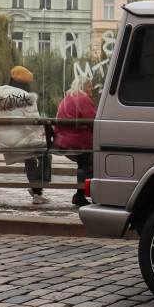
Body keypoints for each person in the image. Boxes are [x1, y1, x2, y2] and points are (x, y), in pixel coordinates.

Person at [0, 65, 49, 205]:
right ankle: (39, 189)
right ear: (26, 83)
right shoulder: (27, 97)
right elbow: (35, 122)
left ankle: (37, 190)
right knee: (44, 151)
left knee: (31, 153)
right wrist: (39, 136)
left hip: (5, 141)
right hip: (21, 141)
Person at [55, 74, 96, 207]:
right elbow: (94, 122)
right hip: (79, 140)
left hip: (64, 140)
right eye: (90, 86)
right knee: (95, 162)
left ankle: (80, 194)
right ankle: (90, 194)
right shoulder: (84, 100)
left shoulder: (67, 98)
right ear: (83, 87)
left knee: (85, 162)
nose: (92, 89)